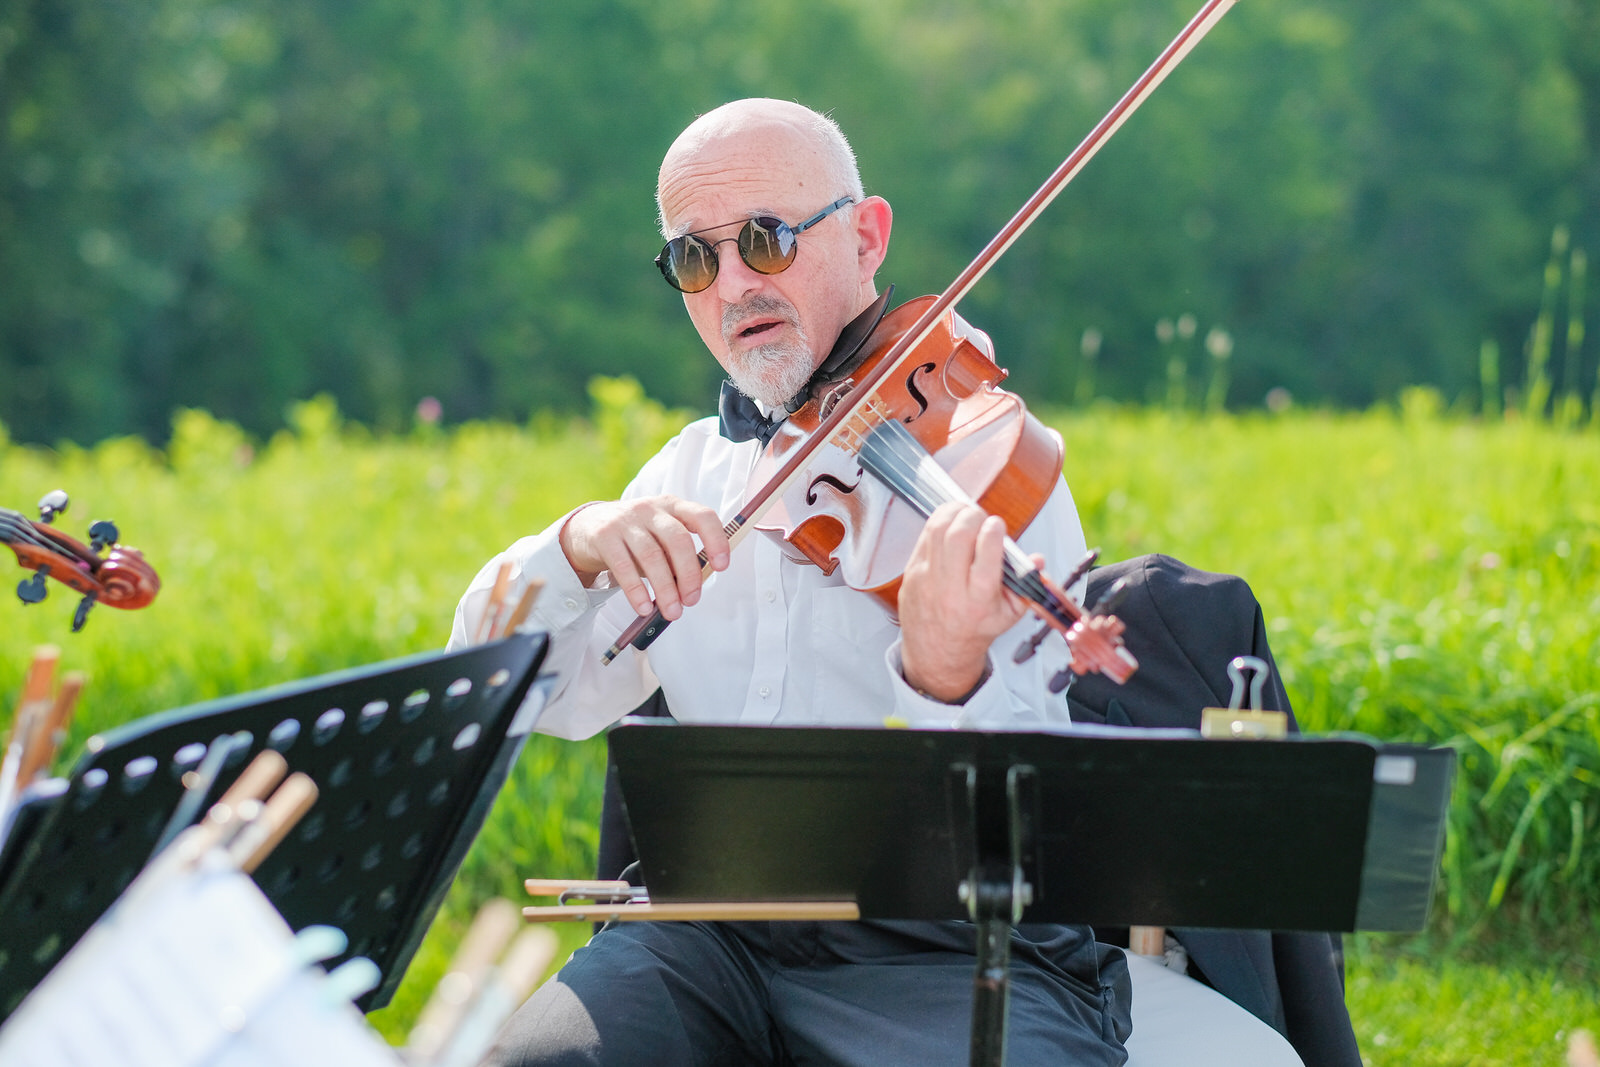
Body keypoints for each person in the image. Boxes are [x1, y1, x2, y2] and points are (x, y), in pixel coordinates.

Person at [450, 98, 1309, 1067]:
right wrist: (574, 544)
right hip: (704, 933)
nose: (732, 285)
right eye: (696, 258)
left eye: (764, 240)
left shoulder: (981, 464)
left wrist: (948, 679)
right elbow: (514, 691)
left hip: (947, 945)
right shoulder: (686, 478)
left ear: (865, 237)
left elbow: (1035, 818)